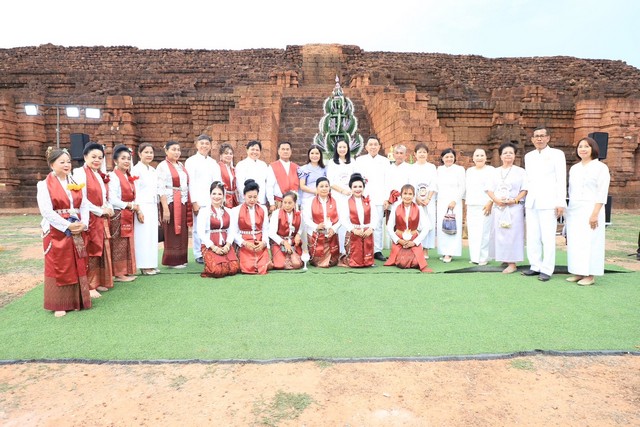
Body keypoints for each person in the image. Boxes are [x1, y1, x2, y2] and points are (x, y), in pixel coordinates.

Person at [37, 148, 91, 317]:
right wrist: (67, 225)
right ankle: (59, 303)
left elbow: (84, 205)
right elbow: (46, 211)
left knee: (76, 261)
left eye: (68, 161)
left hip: (76, 226)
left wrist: (84, 223)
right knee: (59, 264)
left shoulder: (75, 182)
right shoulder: (44, 185)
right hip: (56, 229)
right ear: (52, 164)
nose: (67, 165)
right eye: (62, 162)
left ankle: (78, 300)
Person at [522, 126, 567, 281]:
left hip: (549, 202)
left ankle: (547, 269)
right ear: (532, 139)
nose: (539, 139)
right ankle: (535, 266)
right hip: (532, 202)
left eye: (542, 136)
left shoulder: (557, 154)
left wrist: (560, 202)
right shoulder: (529, 156)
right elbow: (528, 180)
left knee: (547, 238)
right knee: (532, 237)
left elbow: (561, 179)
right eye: (536, 136)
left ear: (548, 138)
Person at [565, 137, 610, 286]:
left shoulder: (600, 167)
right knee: (576, 241)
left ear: (593, 149)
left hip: (592, 209)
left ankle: (590, 275)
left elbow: (602, 192)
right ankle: (578, 272)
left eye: (586, 146)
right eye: (580, 146)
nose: (583, 149)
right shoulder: (574, 168)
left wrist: (595, 214)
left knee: (591, 241)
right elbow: (571, 191)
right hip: (575, 209)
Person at [73, 143, 113, 298]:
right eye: (93, 157)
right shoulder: (79, 173)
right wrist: (100, 211)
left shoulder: (98, 174)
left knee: (99, 248)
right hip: (88, 218)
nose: (97, 160)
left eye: (100, 158)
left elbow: (104, 197)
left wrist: (108, 207)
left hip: (99, 218)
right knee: (89, 250)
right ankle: (88, 286)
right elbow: (82, 199)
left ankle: (97, 282)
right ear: (85, 157)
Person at [486, 143, 528, 274]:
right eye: (505, 153)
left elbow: (524, 189)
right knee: (500, 234)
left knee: (513, 234)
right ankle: (504, 258)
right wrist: (496, 200)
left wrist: (514, 200)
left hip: (514, 207)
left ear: (515, 155)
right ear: (500, 156)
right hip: (499, 207)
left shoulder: (520, 172)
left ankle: (512, 263)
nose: (508, 155)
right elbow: (489, 189)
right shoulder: (495, 172)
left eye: (511, 153)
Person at [185, 134, 221, 264]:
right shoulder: (191, 161)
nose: (204, 146)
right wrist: (194, 202)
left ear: (210, 146)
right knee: (197, 228)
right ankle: (198, 253)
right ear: (197, 145)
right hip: (199, 200)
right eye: (202, 143)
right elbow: (190, 183)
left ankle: (209, 250)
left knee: (210, 227)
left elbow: (217, 182)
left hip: (212, 200)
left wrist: (218, 200)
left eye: (207, 143)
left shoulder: (213, 163)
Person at [354, 136, 389, 261]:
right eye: (371, 144)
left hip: (379, 197)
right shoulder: (360, 160)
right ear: (366, 147)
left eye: (375, 144)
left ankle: (377, 250)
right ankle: (363, 248)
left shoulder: (385, 161)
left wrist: (386, 199)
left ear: (379, 147)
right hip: (364, 197)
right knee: (363, 224)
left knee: (378, 225)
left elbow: (387, 181)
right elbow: (357, 179)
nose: (373, 147)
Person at [108, 145, 139, 282]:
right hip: (118, 213)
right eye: (123, 158)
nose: (126, 161)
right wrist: (129, 205)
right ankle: (118, 273)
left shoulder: (128, 176)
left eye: (128, 158)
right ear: (115, 161)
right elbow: (112, 198)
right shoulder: (113, 176)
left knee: (126, 242)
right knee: (118, 243)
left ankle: (125, 270)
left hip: (127, 212)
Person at [384, 184, 433, 272]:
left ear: (414, 196)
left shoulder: (419, 208)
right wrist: (399, 240)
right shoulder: (395, 208)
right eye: (405, 193)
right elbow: (389, 227)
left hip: (413, 239)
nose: (407, 196)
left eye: (410, 194)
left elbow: (426, 228)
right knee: (402, 263)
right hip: (399, 240)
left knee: (415, 263)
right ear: (401, 195)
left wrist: (414, 242)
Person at [157, 140, 191, 268]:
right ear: (166, 151)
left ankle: (181, 258)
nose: (177, 152)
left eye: (178, 150)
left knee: (182, 231)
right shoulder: (162, 166)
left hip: (182, 200)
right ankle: (172, 260)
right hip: (170, 201)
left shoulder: (180, 165)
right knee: (172, 231)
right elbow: (160, 188)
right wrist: (165, 208)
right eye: (173, 149)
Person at [197, 181, 240, 278]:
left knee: (234, 268)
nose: (216, 197)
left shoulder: (229, 211)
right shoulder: (203, 211)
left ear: (223, 196)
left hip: (225, 245)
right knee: (217, 271)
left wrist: (227, 246)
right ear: (210, 195)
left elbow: (232, 231)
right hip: (210, 246)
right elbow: (200, 232)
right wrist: (214, 247)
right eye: (214, 193)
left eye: (219, 194)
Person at [230, 179, 271, 274]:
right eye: (249, 197)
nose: (252, 200)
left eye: (255, 197)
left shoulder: (263, 209)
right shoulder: (236, 210)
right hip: (244, 243)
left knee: (265, 266)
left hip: (259, 242)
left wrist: (263, 242)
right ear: (244, 196)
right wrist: (244, 243)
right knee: (248, 267)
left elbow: (265, 229)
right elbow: (234, 232)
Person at [131, 143, 159, 275]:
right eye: (146, 152)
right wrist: (138, 210)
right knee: (143, 236)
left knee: (152, 235)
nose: (149, 155)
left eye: (151, 152)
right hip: (142, 206)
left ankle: (151, 263)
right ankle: (143, 265)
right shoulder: (136, 170)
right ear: (139, 154)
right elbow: (134, 191)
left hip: (152, 205)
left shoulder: (153, 170)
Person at [338, 173, 376, 267]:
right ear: (351, 188)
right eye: (355, 187)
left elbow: (375, 216)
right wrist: (353, 230)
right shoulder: (346, 201)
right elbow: (343, 219)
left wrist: (371, 228)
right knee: (355, 261)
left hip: (367, 231)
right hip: (354, 232)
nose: (358, 189)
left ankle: (367, 260)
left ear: (363, 187)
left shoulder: (369, 200)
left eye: (360, 186)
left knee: (367, 260)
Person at [465, 148, 495, 265]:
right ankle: (474, 257)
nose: (479, 158)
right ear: (473, 158)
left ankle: (483, 257)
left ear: (486, 158)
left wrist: (490, 201)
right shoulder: (469, 171)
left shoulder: (491, 170)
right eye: (477, 155)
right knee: (473, 232)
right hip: (472, 205)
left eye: (482, 155)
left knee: (484, 232)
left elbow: (494, 187)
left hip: (485, 205)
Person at [303, 177, 341, 267]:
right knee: (319, 263)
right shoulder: (309, 201)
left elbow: (341, 218)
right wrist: (316, 226)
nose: (324, 188)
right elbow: (306, 219)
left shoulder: (336, 201)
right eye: (321, 186)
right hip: (316, 235)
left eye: (326, 186)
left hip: (331, 235)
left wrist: (333, 229)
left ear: (329, 188)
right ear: (317, 188)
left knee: (332, 262)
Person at [436, 148, 465, 263]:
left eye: (451, 157)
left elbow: (462, 187)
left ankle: (450, 252)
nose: (449, 159)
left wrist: (455, 201)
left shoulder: (459, 169)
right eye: (446, 157)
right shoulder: (439, 170)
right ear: (442, 158)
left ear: (454, 158)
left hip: (454, 203)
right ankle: (444, 251)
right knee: (442, 226)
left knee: (452, 225)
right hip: (441, 202)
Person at [326, 139, 354, 254]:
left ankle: (348, 249)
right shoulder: (332, 162)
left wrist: (352, 190)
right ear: (336, 149)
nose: (342, 149)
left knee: (349, 220)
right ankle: (339, 250)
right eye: (340, 147)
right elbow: (330, 182)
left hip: (350, 195)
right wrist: (342, 191)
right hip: (337, 196)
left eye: (344, 147)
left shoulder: (352, 161)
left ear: (348, 148)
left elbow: (356, 178)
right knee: (339, 220)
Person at [410, 143, 437, 259]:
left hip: (429, 200)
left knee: (429, 223)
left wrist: (428, 198)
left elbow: (434, 184)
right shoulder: (412, 168)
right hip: (415, 200)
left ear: (427, 154)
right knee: (417, 223)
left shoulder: (431, 167)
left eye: (424, 152)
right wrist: (416, 198)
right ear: (415, 154)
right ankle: (416, 248)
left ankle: (426, 249)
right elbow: (410, 184)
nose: (422, 154)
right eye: (419, 152)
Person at [268, 191, 303, 270]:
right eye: (285, 202)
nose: (287, 205)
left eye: (290, 203)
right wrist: (283, 242)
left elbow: (301, 226)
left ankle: (291, 257)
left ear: (295, 203)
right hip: (279, 243)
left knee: (297, 264)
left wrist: (298, 234)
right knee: (279, 265)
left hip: (292, 242)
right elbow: (271, 233)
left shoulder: (299, 214)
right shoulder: (276, 213)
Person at [266, 141, 299, 213]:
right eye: (283, 149)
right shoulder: (273, 166)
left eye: (287, 149)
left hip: (292, 203)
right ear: (278, 151)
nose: (285, 151)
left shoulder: (296, 167)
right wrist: (271, 203)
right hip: (278, 202)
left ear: (291, 151)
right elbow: (269, 186)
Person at [235, 140, 269, 205]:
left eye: (257, 150)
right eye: (252, 149)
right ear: (247, 150)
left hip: (261, 201)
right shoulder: (241, 164)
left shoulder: (263, 165)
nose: (255, 152)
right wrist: (246, 198)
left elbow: (266, 183)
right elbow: (239, 184)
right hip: (246, 202)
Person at [218, 143, 239, 209]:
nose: (229, 155)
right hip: (223, 198)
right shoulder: (218, 167)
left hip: (233, 198)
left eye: (231, 153)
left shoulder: (232, 169)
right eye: (226, 153)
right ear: (221, 155)